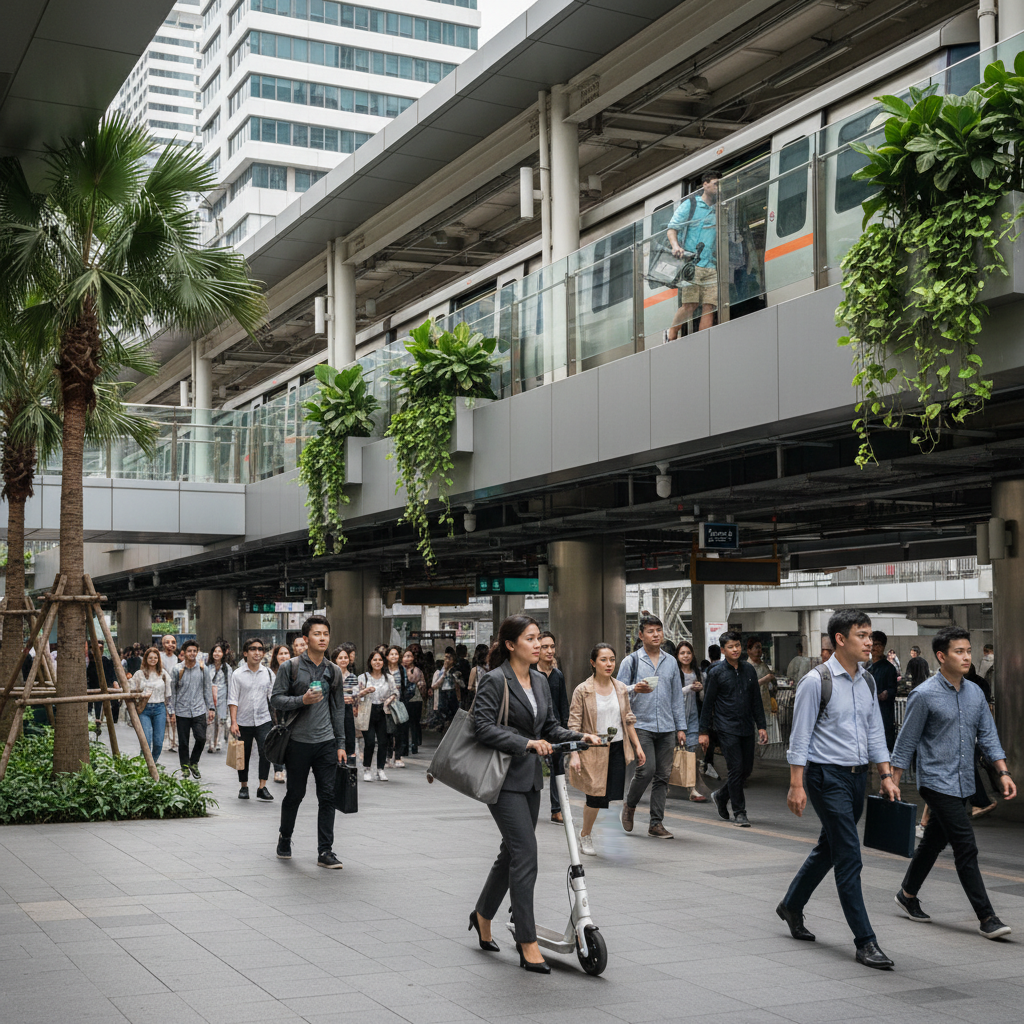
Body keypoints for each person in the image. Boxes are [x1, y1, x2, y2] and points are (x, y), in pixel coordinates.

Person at [470, 615, 596, 973]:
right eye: (531, 638)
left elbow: (551, 727)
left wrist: (577, 737)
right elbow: (482, 727)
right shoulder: (495, 680)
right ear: (511, 645)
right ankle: (527, 941)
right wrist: (525, 743)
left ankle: (481, 914)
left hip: (530, 781)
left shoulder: (541, 680)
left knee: (510, 852)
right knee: (526, 855)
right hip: (502, 781)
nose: (538, 643)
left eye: (539, 637)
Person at [778, 609, 900, 970]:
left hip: (857, 777)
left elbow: (875, 728)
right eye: (862, 635)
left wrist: (886, 774)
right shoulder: (817, 681)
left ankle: (791, 905)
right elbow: (799, 737)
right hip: (824, 777)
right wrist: (796, 784)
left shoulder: (866, 681)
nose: (869, 642)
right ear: (840, 640)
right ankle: (866, 941)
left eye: (870, 635)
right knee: (849, 854)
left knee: (829, 848)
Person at [890, 626, 1015, 939]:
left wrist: (1002, 772)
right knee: (965, 846)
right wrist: (891, 781)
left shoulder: (975, 693)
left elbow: (987, 735)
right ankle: (987, 917)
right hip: (935, 781)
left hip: (963, 781)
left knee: (933, 841)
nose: (966, 657)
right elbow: (905, 743)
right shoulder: (924, 694)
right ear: (941, 656)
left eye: (968, 651)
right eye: (959, 652)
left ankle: (906, 894)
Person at [270, 615, 346, 868]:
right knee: (295, 794)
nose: (322, 638)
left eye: (325, 634)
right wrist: (301, 700)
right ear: (305, 638)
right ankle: (285, 837)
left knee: (327, 796)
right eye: (317, 634)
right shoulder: (289, 667)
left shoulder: (333, 670)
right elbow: (276, 699)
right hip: (298, 742)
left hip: (325, 742)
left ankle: (325, 851)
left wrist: (341, 744)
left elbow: (338, 710)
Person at [616, 613, 689, 839]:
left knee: (663, 775)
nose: (656, 634)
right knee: (646, 770)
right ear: (641, 635)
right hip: (641, 724)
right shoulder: (632, 661)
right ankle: (630, 805)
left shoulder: (671, 662)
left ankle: (656, 823)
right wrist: (633, 689)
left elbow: (677, 696)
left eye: (658, 630)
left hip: (667, 726)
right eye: (650, 631)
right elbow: (617, 690)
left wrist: (681, 727)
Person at [568, 643, 645, 856]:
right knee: (595, 797)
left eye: (612, 659)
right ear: (593, 663)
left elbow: (627, 720)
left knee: (610, 797)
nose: (609, 664)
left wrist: (637, 746)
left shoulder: (620, 688)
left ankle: (593, 831)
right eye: (603, 659)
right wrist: (574, 754)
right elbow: (573, 726)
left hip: (617, 747)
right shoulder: (582, 690)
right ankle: (585, 834)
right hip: (593, 748)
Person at [699, 630, 767, 826]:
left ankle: (721, 795)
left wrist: (761, 726)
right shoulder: (716, 672)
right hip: (726, 727)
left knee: (746, 770)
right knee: (736, 769)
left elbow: (756, 701)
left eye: (737, 645)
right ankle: (739, 812)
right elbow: (708, 703)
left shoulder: (749, 670)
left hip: (747, 727)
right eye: (730, 647)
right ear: (723, 650)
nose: (735, 649)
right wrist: (704, 732)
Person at [665, 169, 721, 339]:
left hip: (711, 264)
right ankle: (671, 333)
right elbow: (672, 228)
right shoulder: (692, 204)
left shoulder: (719, 207)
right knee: (690, 304)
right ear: (705, 184)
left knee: (709, 306)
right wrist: (675, 246)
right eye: (716, 184)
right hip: (692, 264)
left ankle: (704, 340)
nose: (719, 188)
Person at [229, 638, 275, 802]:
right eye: (253, 649)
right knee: (243, 754)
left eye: (260, 649)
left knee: (266, 752)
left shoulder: (269, 674)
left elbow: (273, 698)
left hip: (264, 720)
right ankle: (244, 786)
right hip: (243, 721)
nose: (257, 652)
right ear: (245, 653)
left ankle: (262, 787)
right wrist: (233, 722)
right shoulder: (237, 674)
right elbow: (233, 699)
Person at [168, 640, 215, 778]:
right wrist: (172, 711)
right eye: (189, 651)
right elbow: (173, 692)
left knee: (201, 738)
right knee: (183, 742)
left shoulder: (203, 669)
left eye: (195, 651)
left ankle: (194, 762)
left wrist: (211, 708)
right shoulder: (177, 669)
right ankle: (184, 767)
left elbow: (207, 689)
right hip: (182, 710)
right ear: (184, 653)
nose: (192, 653)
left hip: (199, 709)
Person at [537, 631, 570, 824]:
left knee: (558, 768)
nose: (550, 651)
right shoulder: (531, 673)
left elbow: (563, 704)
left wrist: (565, 728)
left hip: (554, 729)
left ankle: (556, 810)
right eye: (545, 647)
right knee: (531, 767)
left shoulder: (557, 675)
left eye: (552, 647)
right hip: (535, 730)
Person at [676, 640, 708, 802]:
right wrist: (689, 688)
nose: (685, 656)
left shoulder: (699, 674)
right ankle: (668, 784)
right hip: (676, 719)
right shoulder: (674, 673)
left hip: (694, 717)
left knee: (692, 753)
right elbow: (672, 696)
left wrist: (700, 689)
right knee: (673, 754)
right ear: (677, 655)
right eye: (682, 653)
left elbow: (703, 699)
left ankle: (692, 788)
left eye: (688, 653)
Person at [360, 649, 398, 781]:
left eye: (380, 660)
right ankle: (367, 769)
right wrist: (364, 691)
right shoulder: (363, 677)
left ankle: (380, 769)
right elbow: (355, 695)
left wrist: (390, 699)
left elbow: (395, 693)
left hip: (384, 711)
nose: (377, 662)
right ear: (370, 662)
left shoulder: (389, 678)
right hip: (367, 712)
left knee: (383, 742)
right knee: (369, 742)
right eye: (375, 659)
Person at [129, 646, 170, 761]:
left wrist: (170, 712)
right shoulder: (139, 674)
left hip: (159, 708)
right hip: (144, 709)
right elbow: (131, 688)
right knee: (146, 740)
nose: (153, 660)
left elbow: (169, 694)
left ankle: (153, 763)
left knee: (158, 742)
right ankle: (144, 765)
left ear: (158, 659)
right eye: (150, 657)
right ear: (146, 659)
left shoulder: (163, 674)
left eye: (155, 657)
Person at [870, 630, 898, 755]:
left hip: (883, 715)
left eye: (878, 645)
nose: (875, 647)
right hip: (868, 715)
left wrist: (886, 693)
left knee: (884, 750)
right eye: (872, 644)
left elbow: (893, 690)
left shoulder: (889, 668)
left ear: (883, 647)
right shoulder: (865, 668)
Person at [330, 646, 359, 764]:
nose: (343, 660)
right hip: (334, 709)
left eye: (345, 657)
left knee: (349, 735)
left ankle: (349, 760)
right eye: (340, 657)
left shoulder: (352, 677)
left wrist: (355, 705)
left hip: (348, 710)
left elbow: (355, 695)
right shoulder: (331, 676)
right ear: (335, 660)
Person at [268, 644, 291, 781]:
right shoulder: (270, 672)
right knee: (277, 740)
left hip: (291, 710)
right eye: (281, 654)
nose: (284, 656)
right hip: (275, 711)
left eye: (286, 653)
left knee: (290, 741)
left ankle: (289, 769)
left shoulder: (295, 670)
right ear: (276, 657)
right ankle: (278, 769)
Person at [384, 644, 408, 768]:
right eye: (391, 654)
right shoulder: (384, 669)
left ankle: (398, 756)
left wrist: (403, 700)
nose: (394, 656)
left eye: (396, 654)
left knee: (399, 731)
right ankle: (388, 756)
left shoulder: (401, 669)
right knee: (387, 731)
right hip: (385, 705)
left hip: (398, 703)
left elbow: (405, 685)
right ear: (387, 656)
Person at [207, 642, 231, 753]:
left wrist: (230, 701)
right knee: (210, 721)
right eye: (215, 651)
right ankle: (210, 743)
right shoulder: (207, 667)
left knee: (221, 720)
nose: (217, 654)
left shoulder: (227, 668)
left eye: (219, 651)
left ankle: (219, 742)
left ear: (223, 654)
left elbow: (230, 684)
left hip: (222, 697)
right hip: (210, 697)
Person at [401, 648, 425, 755]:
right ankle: (404, 746)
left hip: (415, 699)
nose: (407, 658)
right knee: (404, 723)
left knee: (414, 723)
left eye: (410, 656)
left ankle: (414, 744)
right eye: (405, 656)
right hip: (403, 699)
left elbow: (415, 680)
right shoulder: (399, 669)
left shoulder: (416, 670)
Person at [431, 648, 462, 730]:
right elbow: (434, 685)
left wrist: (459, 698)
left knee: (453, 715)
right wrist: (444, 671)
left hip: (452, 694)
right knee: (444, 714)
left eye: (449, 658)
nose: (447, 660)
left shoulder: (456, 670)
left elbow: (460, 685)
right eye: (445, 657)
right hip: (443, 694)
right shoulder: (440, 671)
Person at [747, 636, 775, 720]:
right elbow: (746, 686)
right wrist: (764, 680)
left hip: (765, 705)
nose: (759, 651)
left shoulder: (764, 665)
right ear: (749, 651)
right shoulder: (746, 667)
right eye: (756, 647)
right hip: (751, 707)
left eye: (760, 648)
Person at [159, 634, 179, 753]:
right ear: (163, 644)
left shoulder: (178, 659)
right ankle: (166, 740)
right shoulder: (159, 657)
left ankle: (174, 741)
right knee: (165, 716)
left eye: (173, 642)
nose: (170, 644)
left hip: (175, 690)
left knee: (174, 717)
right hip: (163, 689)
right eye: (167, 642)